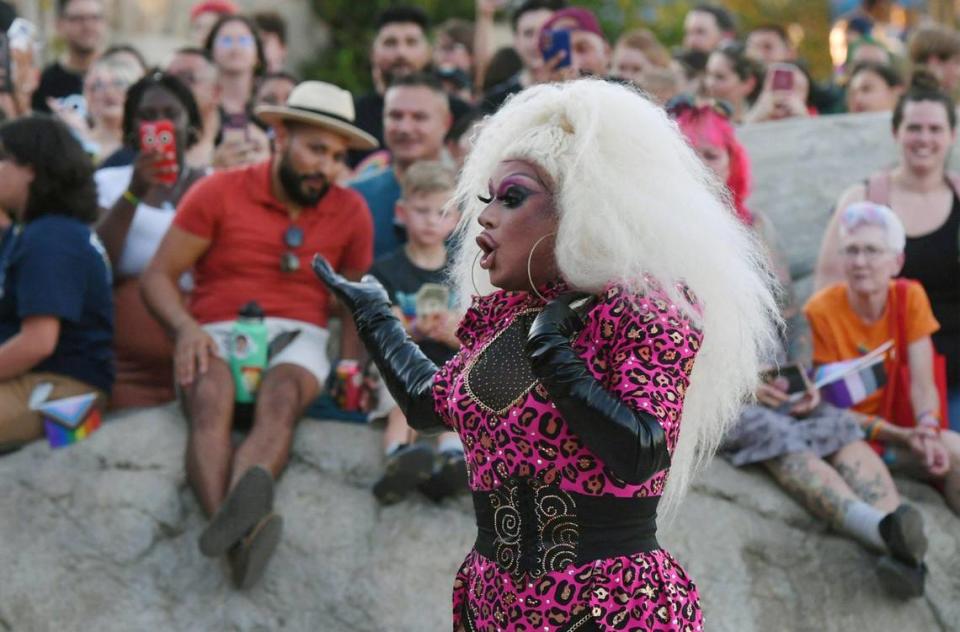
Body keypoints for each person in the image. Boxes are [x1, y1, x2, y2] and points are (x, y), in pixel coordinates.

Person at [314, 78, 779, 632]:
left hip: (607, 608)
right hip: (496, 605)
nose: (485, 217)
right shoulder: (516, 320)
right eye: (487, 199)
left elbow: (639, 453)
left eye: (512, 197)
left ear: (579, 213)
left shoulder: (641, 311)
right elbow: (430, 405)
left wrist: (553, 351)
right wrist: (375, 315)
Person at [671, 102, 933, 598]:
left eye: (713, 154)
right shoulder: (663, 238)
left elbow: (790, 314)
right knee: (776, 436)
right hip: (716, 393)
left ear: (733, 161)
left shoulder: (758, 228)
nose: (704, 164)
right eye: (693, 154)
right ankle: (880, 534)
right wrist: (743, 386)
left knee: (832, 424)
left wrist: (802, 377)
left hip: (777, 377)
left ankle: (901, 530)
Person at [140, 81, 376, 588]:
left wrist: (351, 365)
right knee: (211, 395)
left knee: (282, 395)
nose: (326, 167)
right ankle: (242, 537)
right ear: (280, 135)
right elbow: (157, 276)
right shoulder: (217, 192)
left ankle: (231, 534)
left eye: (337, 157)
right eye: (316, 149)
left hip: (300, 337)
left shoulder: (351, 210)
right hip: (216, 331)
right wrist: (184, 329)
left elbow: (355, 303)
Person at [816, 72, 960, 430]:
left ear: (952, 136)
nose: (923, 139)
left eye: (934, 129)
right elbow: (827, 292)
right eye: (914, 128)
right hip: (881, 377)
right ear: (896, 132)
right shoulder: (862, 199)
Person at [807, 202, 960, 516]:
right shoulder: (820, 311)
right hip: (848, 435)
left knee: (954, 449)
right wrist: (904, 437)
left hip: (906, 430)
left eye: (872, 251)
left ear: (897, 261)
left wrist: (927, 429)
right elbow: (827, 405)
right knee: (881, 496)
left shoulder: (910, 297)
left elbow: (923, 382)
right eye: (851, 251)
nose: (860, 262)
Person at [95, 72, 207, 410]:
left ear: (190, 125)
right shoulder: (107, 183)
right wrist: (134, 193)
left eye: (171, 114)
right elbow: (98, 263)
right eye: (148, 116)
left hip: (202, 345)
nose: (160, 123)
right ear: (132, 129)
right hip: (128, 366)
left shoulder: (216, 186)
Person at [0, 116, 113, 451]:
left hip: (69, 398)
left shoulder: (51, 237)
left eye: (2, 158)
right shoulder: (39, 232)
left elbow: (39, 342)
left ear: (31, 169)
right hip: (42, 383)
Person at [365, 161, 465, 504]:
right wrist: (414, 327)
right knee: (400, 401)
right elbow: (385, 331)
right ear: (402, 212)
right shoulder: (386, 269)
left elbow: (474, 329)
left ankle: (453, 461)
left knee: (457, 400)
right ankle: (399, 458)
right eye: (421, 210)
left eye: (442, 211)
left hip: (449, 363)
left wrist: (454, 330)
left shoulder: (461, 271)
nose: (431, 220)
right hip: (402, 365)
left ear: (455, 218)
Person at [351, 73, 452, 258]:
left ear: (446, 123)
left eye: (419, 117)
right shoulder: (355, 198)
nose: (405, 128)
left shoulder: (470, 200)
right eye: (395, 116)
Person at [50, 53, 144, 165]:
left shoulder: (145, 145)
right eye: (98, 85)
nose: (108, 92)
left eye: (119, 84)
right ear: (87, 95)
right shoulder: (70, 144)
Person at [478, 0, 566, 114]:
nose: (537, 43)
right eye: (529, 33)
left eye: (545, 32)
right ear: (516, 41)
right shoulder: (494, 102)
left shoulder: (578, 92)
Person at [31, 0, 106, 114]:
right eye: (78, 19)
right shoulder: (46, 82)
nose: (88, 26)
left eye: (94, 17)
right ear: (60, 25)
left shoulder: (117, 74)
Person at [166, 47, 221, 169]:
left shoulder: (236, 141)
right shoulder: (151, 139)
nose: (173, 87)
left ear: (215, 92)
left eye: (187, 78)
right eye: (167, 79)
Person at [203, 14, 265, 119]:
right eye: (226, 40)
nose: (235, 48)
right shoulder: (200, 105)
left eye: (243, 41)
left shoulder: (268, 105)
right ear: (211, 51)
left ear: (257, 54)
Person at [703, 43, 762, 124]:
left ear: (749, 84)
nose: (709, 83)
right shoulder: (697, 120)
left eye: (720, 77)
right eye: (708, 74)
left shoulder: (765, 121)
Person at [907, 25, 960, 98]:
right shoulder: (930, 104)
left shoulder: (909, 98)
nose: (958, 72)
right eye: (956, 62)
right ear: (934, 62)